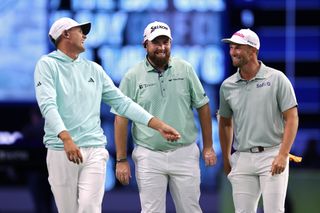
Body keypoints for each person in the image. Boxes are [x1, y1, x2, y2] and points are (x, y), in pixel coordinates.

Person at [34, 17, 181, 213]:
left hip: (95, 148)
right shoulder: (47, 65)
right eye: (80, 31)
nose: (84, 35)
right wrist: (66, 138)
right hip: (61, 149)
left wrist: (158, 125)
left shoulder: (94, 68)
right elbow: (48, 105)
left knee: (90, 208)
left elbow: (122, 103)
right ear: (65, 34)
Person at [112, 21, 217, 213]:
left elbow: (203, 106)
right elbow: (121, 118)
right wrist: (120, 160)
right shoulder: (132, 76)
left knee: (191, 210)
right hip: (148, 154)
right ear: (145, 45)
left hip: (184, 152)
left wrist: (208, 146)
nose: (162, 47)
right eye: (156, 43)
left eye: (166, 42)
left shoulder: (185, 69)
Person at [218, 28, 299, 213]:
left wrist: (283, 154)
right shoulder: (227, 86)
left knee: (274, 211)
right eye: (231, 47)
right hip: (242, 157)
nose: (232, 52)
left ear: (253, 50)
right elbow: (225, 123)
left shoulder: (277, 78)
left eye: (238, 47)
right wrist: (226, 158)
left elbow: (292, 118)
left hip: (272, 155)